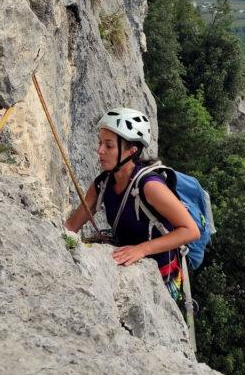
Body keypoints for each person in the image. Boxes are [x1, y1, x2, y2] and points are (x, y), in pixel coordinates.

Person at [65, 107, 200, 302]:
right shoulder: (102, 184)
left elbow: (190, 231)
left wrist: (142, 249)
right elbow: (71, 227)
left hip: (162, 275)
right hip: (125, 258)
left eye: (109, 145)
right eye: (100, 143)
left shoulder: (150, 186)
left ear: (132, 151)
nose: (100, 150)